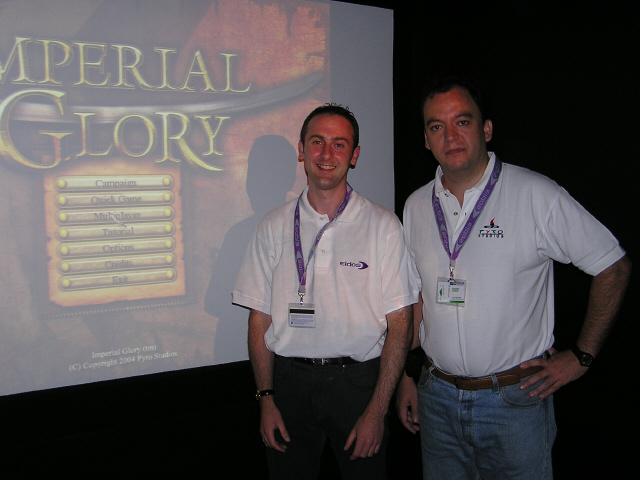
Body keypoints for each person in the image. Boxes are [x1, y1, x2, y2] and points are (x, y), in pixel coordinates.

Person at [396, 77, 631, 479]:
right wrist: (406, 374)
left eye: (462, 122)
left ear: (486, 129)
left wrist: (582, 356)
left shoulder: (534, 193)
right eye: (437, 126)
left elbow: (613, 266)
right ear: (426, 140)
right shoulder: (416, 205)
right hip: (436, 397)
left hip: (513, 403)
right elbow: (418, 298)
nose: (450, 136)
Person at [233, 104, 417, 480]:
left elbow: (401, 324)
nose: (327, 154)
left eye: (339, 144)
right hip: (289, 384)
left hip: (358, 385)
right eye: (317, 142)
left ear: (355, 155)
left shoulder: (383, 225)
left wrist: (376, 410)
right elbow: (259, 319)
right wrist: (266, 399)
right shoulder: (272, 225)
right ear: (302, 150)